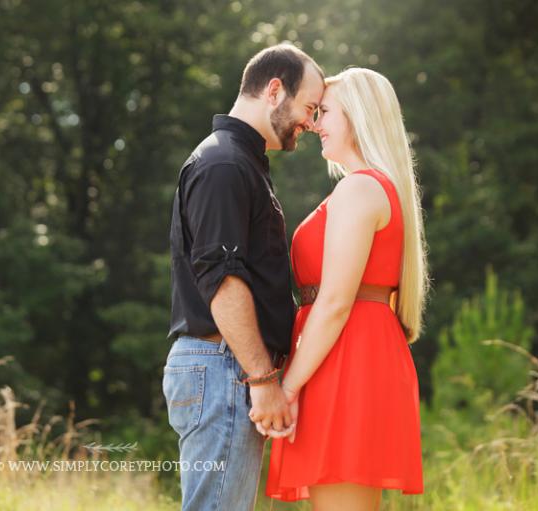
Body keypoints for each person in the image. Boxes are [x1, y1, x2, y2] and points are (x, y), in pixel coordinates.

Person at [260, 67, 431, 511]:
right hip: (346, 354)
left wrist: (289, 388)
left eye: (325, 112)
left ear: (359, 116)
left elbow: (335, 302)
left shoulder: (360, 189)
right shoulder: (366, 189)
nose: (314, 123)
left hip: (346, 358)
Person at [163, 43, 324, 510]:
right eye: (309, 108)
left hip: (224, 368)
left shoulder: (242, 162)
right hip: (224, 369)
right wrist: (262, 379)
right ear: (275, 90)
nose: (311, 123)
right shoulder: (225, 164)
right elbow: (223, 280)